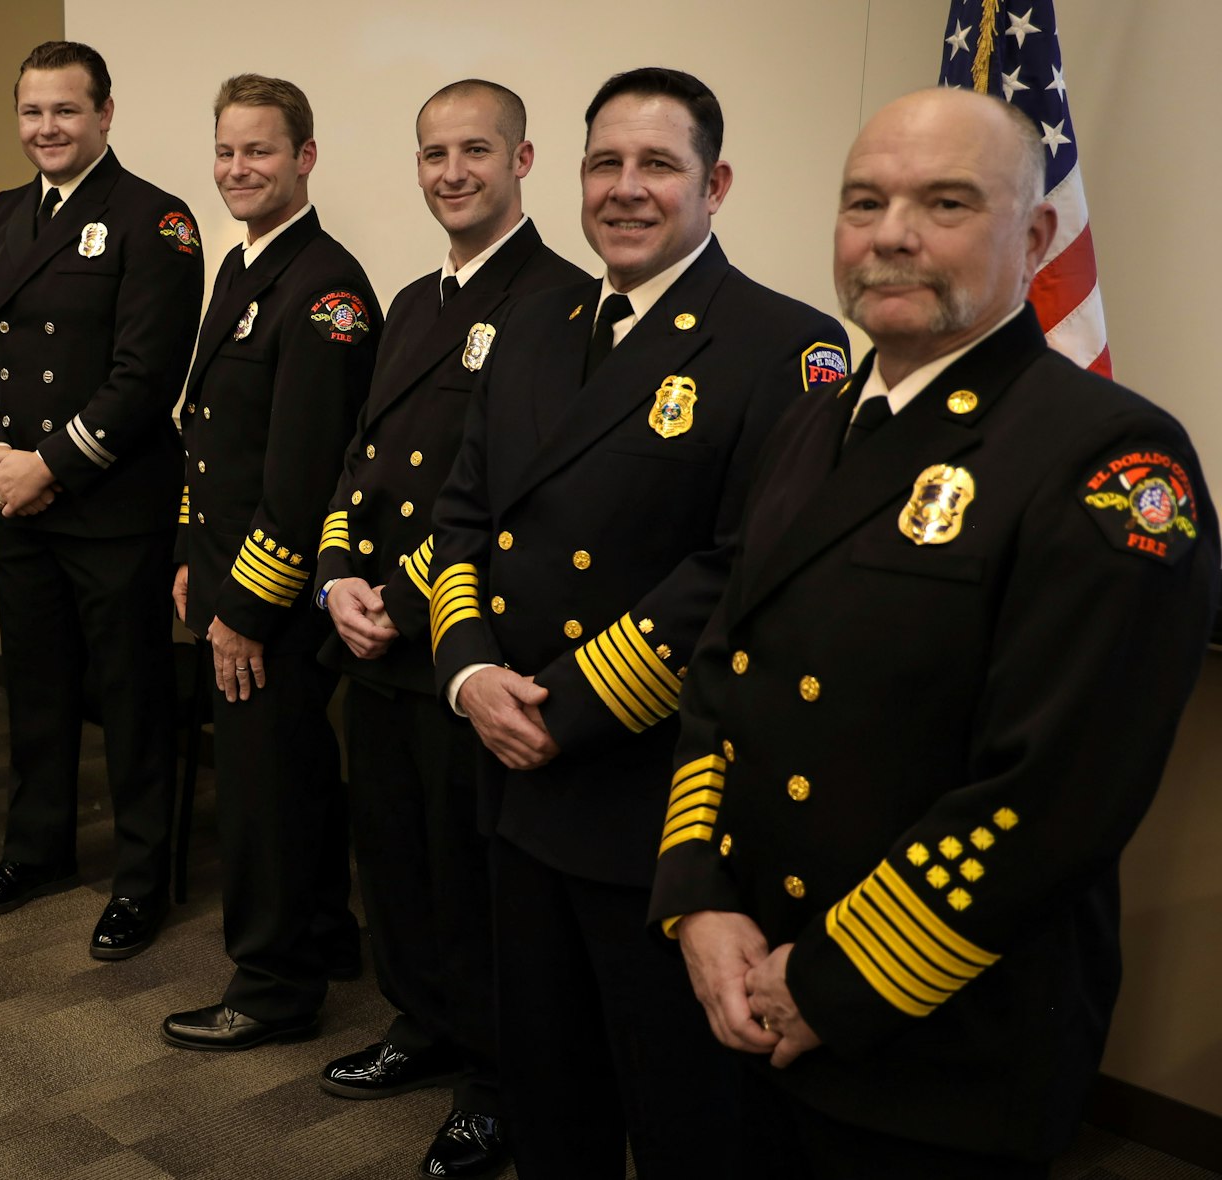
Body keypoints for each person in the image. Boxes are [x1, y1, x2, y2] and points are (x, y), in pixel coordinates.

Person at [651, 86, 1217, 1179]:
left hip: (938, 1036)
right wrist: (699, 898)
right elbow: (725, 674)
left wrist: (832, 978)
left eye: (944, 202)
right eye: (863, 202)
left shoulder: (1108, 458)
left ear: (1034, 235)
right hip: (749, 982)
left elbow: (1053, 792)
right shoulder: (815, 419)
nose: (892, 234)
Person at [425, 68, 849, 1178]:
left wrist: (560, 708)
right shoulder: (530, 325)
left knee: (678, 1117)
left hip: (652, 805)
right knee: (546, 1089)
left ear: (712, 184)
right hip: (511, 779)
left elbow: (742, 573)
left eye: (655, 165)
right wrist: (469, 672)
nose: (624, 188)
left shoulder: (785, 349)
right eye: (602, 164)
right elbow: (465, 511)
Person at [311, 79, 587, 1179]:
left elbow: (504, 495)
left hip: (463, 646)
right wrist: (334, 572)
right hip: (374, 636)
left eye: (475, 150)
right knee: (393, 855)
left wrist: (402, 599)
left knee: (473, 881)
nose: (451, 172)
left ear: (522, 160)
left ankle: (491, 1077)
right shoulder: (414, 299)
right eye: (433, 154)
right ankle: (420, 1021)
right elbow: (361, 460)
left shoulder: (556, 301)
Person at [0, 40, 203, 957]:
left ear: (104, 114)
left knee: (131, 698)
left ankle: (140, 880)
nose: (46, 128)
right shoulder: (2, 218)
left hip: (111, 504)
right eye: (31, 112)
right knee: (38, 690)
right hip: (16, 500)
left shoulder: (156, 220)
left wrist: (46, 464)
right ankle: (37, 849)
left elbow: (145, 378)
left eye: (65, 111)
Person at [158, 73, 377, 1050]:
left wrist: (241, 609)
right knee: (291, 778)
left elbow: (301, 481)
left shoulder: (323, 290)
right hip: (220, 577)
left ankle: (272, 986)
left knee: (261, 798)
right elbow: (209, 439)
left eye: (258, 151)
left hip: (268, 602)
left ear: (303, 158)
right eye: (225, 151)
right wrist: (185, 556)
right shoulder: (246, 267)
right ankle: (324, 934)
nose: (236, 168)